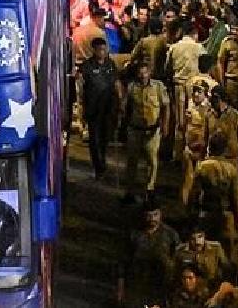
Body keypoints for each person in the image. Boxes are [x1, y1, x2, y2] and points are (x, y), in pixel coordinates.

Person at [116, 197, 179, 307]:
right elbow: (123, 262)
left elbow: (177, 261)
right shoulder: (134, 234)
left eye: (155, 215)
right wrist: (120, 288)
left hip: (161, 285)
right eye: (149, 215)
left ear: (160, 214)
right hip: (137, 283)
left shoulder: (170, 235)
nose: (152, 218)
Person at [121, 61, 171, 204]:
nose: (143, 75)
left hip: (152, 130)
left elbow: (166, 106)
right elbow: (125, 106)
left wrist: (165, 125)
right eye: (140, 73)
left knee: (152, 161)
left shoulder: (158, 87)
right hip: (135, 129)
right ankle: (130, 191)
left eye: (145, 72)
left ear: (149, 73)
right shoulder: (132, 87)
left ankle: (149, 190)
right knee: (132, 161)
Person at [77, 37, 118, 180]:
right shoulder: (87, 66)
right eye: (100, 49)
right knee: (94, 139)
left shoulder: (110, 64)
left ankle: (103, 161)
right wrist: (81, 108)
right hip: (93, 109)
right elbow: (80, 87)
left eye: (104, 49)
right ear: (94, 50)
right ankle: (98, 166)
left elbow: (116, 83)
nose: (103, 52)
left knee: (105, 138)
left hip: (108, 108)